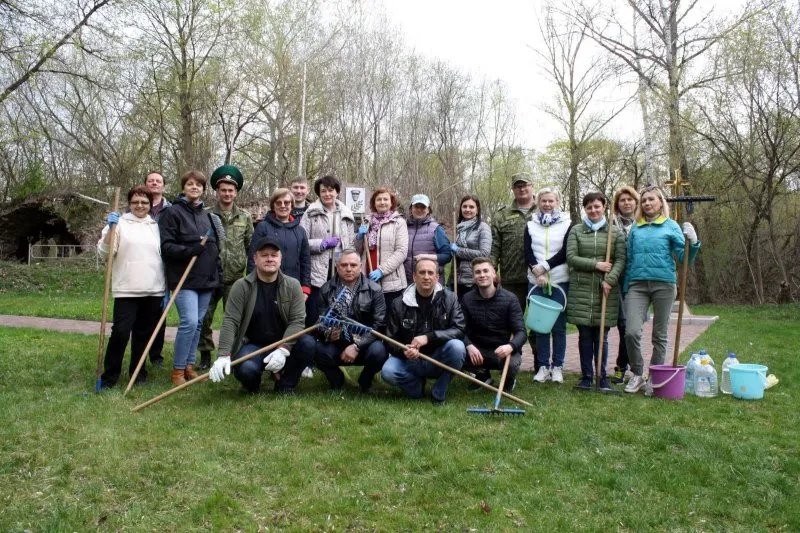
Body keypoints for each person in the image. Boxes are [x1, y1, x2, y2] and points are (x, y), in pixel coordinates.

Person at [208, 236, 313, 393]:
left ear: (280, 259)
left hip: (284, 341)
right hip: (253, 344)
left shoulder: (293, 285)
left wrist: (283, 349)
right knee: (246, 369)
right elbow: (230, 321)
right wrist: (223, 354)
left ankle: (285, 384)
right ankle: (253, 385)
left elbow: (297, 321)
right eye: (264, 255)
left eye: (274, 255)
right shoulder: (241, 286)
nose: (269, 259)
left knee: (308, 344)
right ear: (255, 259)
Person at [623, 185, 701, 394]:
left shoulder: (671, 226)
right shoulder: (635, 229)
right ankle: (638, 373)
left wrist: (692, 242)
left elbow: (684, 259)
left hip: (664, 284)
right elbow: (629, 260)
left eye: (652, 200)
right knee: (630, 332)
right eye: (645, 200)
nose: (647, 203)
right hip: (637, 285)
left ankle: (655, 376)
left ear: (660, 203)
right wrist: (625, 288)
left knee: (659, 334)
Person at [97, 186, 165, 388]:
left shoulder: (155, 225)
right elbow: (105, 252)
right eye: (136, 201)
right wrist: (110, 229)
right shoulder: (120, 223)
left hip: (153, 289)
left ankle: (138, 373)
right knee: (120, 332)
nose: (140, 205)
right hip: (127, 288)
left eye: (144, 202)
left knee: (143, 334)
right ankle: (110, 377)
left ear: (150, 204)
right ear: (129, 203)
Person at [159, 170, 223, 386]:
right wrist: (189, 250)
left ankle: (188, 365)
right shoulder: (172, 213)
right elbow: (166, 247)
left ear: (204, 189)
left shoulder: (207, 216)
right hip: (183, 279)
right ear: (184, 187)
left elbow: (215, 247)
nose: (194, 188)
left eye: (199, 185)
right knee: (188, 322)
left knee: (198, 324)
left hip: (206, 279)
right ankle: (177, 370)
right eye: (190, 184)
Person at [381, 258, 466, 404]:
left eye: (430, 273)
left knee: (457, 347)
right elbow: (389, 339)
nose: (426, 276)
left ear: (437, 277)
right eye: (422, 272)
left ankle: (439, 390)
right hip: (410, 360)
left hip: (438, 358)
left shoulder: (450, 299)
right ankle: (416, 386)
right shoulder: (398, 303)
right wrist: (404, 350)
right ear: (414, 276)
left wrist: (430, 337)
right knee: (388, 372)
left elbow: (459, 329)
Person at [566, 192, 626, 390]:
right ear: (585, 209)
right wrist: (596, 265)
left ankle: (602, 377)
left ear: (604, 207)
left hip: (605, 290)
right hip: (582, 290)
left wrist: (610, 279)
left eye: (597, 206)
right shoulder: (576, 230)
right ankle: (586, 376)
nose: (593, 210)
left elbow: (620, 260)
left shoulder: (614, 233)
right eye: (589, 207)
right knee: (584, 336)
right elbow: (572, 258)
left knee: (602, 335)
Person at [306, 249, 388, 392]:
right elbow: (320, 324)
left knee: (380, 351)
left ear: (360, 266)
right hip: (337, 345)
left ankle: (365, 381)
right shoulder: (325, 290)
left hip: (364, 344)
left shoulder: (374, 289)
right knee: (315, 348)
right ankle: (336, 380)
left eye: (353, 265)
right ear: (337, 267)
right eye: (344, 265)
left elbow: (379, 326)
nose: (348, 269)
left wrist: (357, 346)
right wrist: (328, 333)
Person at [197, 165, 253, 370]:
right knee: (205, 317)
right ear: (217, 191)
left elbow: (250, 245)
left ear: (236, 192)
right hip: (210, 276)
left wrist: (250, 273)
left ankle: (232, 353)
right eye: (223, 190)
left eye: (231, 190)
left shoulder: (245, 217)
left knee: (235, 318)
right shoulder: (206, 215)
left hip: (236, 277)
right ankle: (205, 354)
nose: (227, 193)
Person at [525, 186, 573, 384]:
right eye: (543, 201)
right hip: (536, 281)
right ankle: (543, 366)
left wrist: (545, 267)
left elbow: (565, 251)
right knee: (540, 326)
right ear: (538, 202)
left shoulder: (567, 224)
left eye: (551, 201)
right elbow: (527, 250)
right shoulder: (530, 225)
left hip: (559, 280)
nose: (547, 204)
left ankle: (558, 367)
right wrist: (536, 270)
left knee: (559, 327)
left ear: (557, 202)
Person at [490, 173, 538, 368]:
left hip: (537, 279)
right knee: (509, 323)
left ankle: (540, 363)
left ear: (532, 186)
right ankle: (508, 362)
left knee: (537, 324)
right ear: (513, 189)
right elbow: (494, 246)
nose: (521, 189)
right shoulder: (502, 214)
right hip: (511, 279)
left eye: (525, 185)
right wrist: (492, 270)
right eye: (517, 186)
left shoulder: (543, 209)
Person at [460, 257, 526, 393]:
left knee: (512, 364)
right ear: (473, 277)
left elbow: (521, 332)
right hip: (477, 351)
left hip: (501, 350)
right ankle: (483, 376)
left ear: (494, 273)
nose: (482, 275)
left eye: (486, 271)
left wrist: (510, 346)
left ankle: (508, 381)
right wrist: (469, 346)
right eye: (478, 272)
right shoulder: (467, 299)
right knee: (455, 352)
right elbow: (460, 329)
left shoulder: (510, 299)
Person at [299, 174, 356, 326]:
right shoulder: (310, 213)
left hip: (339, 271)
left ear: (337, 192)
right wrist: (322, 244)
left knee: (338, 314)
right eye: (323, 191)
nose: (327, 194)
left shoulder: (346, 214)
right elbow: (302, 242)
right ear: (318, 193)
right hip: (317, 273)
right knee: (314, 314)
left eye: (331, 190)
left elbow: (351, 244)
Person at [249, 188, 311, 295]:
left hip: (293, 287)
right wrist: (251, 284)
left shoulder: (300, 231)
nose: (283, 205)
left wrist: (305, 288)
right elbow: (252, 258)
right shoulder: (263, 227)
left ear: (292, 205)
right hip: (265, 286)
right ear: (273, 206)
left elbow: (305, 261)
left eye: (286, 202)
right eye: (279, 202)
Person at [354, 187, 408, 310]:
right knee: (370, 317)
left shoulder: (398, 222)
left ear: (391, 202)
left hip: (390, 281)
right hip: (367, 277)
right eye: (379, 199)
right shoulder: (366, 221)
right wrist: (359, 237)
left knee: (389, 318)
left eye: (385, 199)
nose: (382, 202)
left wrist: (381, 271)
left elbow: (401, 252)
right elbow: (357, 250)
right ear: (374, 203)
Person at [610, 186, 640, 384]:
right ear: (617, 204)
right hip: (617, 278)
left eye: (630, 199)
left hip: (637, 278)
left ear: (635, 203)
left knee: (632, 326)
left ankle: (629, 366)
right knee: (623, 324)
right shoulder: (611, 226)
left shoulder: (643, 224)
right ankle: (622, 366)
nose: (626, 203)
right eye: (623, 200)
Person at [144, 171, 171, 367]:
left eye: (158, 181)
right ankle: (139, 353)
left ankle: (156, 355)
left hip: (163, 268)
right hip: (140, 266)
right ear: (145, 184)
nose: (154, 183)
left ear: (163, 186)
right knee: (139, 313)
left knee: (159, 312)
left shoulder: (171, 210)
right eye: (151, 180)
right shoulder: (136, 206)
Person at [450, 194, 492, 298]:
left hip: (473, 279)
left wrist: (458, 250)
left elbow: (484, 254)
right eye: (464, 206)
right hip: (457, 278)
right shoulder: (458, 228)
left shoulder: (483, 227)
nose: (467, 209)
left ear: (477, 210)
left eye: (471, 207)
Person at [403, 193, 451, 282]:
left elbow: (447, 256)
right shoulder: (403, 227)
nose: (419, 210)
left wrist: (426, 257)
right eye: (416, 207)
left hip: (430, 281)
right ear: (411, 209)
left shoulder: (436, 229)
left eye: (423, 207)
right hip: (407, 281)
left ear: (428, 210)